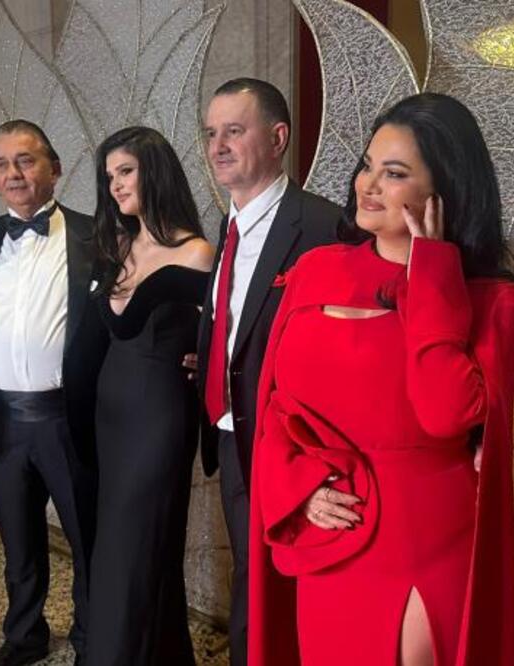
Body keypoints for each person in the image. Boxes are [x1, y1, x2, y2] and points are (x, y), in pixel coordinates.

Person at [248, 93, 514, 666]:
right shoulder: (315, 270)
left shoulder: (491, 299)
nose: (367, 185)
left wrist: (433, 272)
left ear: (443, 191)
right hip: (331, 539)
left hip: (426, 541)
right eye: (368, 165)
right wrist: (300, 489)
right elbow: (275, 409)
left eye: (394, 173)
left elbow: (445, 414)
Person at [190, 78, 342, 666]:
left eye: (234, 130)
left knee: (294, 588)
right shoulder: (225, 225)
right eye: (211, 133)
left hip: (296, 447)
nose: (218, 146)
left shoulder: (325, 228)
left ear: (278, 139)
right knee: (252, 581)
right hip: (234, 436)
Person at [0, 119, 107, 666]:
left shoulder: (97, 235)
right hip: (0, 419)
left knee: (88, 540)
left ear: (54, 169)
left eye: (25, 160)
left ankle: (93, 639)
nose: (12, 174)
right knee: (18, 544)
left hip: (69, 418)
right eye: (1, 164)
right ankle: (25, 638)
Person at [85, 126, 214, 665]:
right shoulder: (117, 244)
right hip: (111, 413)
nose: (115, 185)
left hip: (160, 415)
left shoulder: (197, 252)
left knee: (136, 546)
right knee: (127, 544)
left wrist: (204, 360)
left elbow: (223, 336)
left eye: (126, 171)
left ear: (154, 172)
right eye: (109, 176)